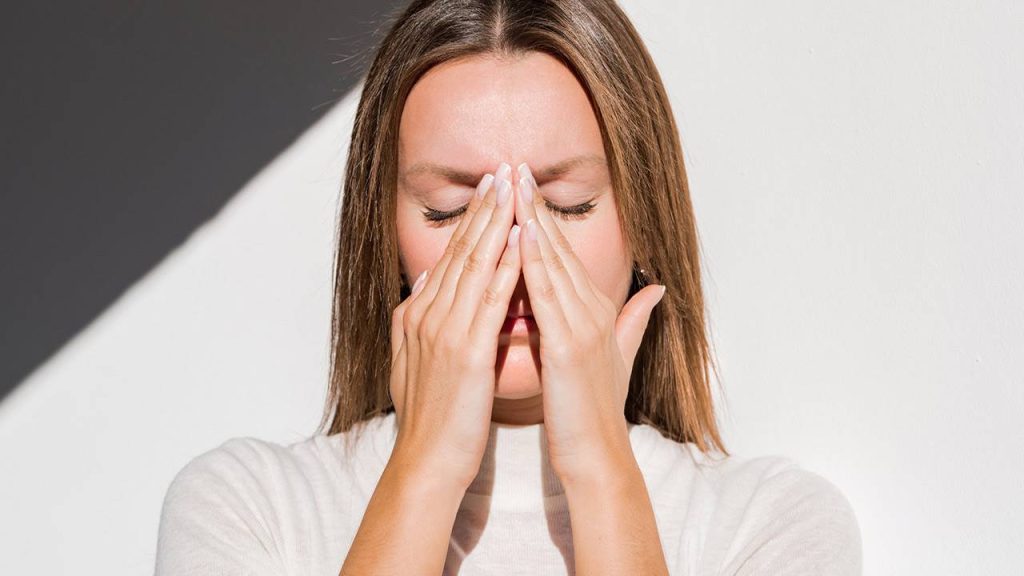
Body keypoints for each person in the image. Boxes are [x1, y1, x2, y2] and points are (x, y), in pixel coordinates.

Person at [154, 0, 862, 574]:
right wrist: (426, 468)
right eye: (451, 211)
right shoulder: (248, 508)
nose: (513, 252)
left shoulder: (769, 526)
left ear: (645, 220)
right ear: (383, 234)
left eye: (568, 206)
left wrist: (601, 470)